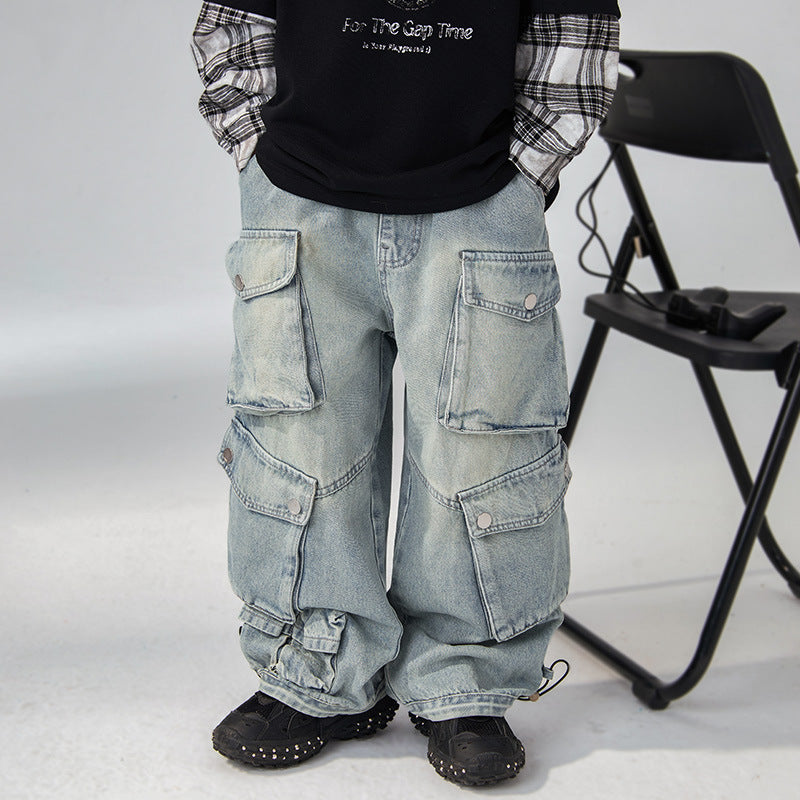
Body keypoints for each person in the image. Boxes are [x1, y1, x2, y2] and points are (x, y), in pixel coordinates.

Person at [192, 0, 620, 786]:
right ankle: (316, 672)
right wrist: (257, 148)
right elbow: (232, 19)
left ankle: (463, 684)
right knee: (300, 440)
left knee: (479, 452)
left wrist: (522, 173)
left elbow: (574, 26)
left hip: (479, 199)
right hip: (301, 194)